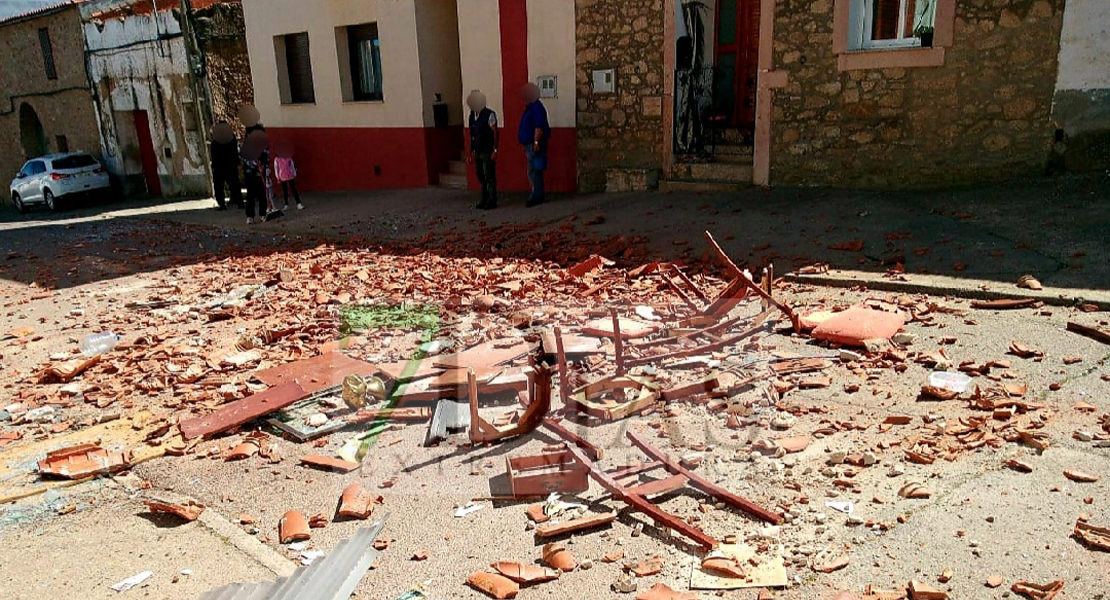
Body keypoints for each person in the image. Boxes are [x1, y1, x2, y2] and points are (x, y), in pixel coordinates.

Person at [517, 83, 551, 207]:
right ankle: (536, 194)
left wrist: (536, 142)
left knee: (535, 170)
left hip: (534, 144)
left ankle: (536, 195)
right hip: (529, 144)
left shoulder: (536, 107)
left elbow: (538, 127)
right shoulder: (531, 107)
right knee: (533, 169)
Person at [466, 90, 499, 210]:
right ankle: (485, 197)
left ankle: (491, 199)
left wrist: (495, 149)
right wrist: (471, 151)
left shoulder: (489, 114)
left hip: (487, 149)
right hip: (477, 149)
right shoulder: (472, 115)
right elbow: (472, 134)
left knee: (489, 175)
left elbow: (495, 132)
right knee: (480, 174)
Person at [209, 122, 242, 211]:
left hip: (220, 166)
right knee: (234, 184)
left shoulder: (217, 139)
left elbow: (214, 152)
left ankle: (222, 204)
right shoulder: (231, 137)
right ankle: (239, 202)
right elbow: (234, 151)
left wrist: (214, 164)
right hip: (231, 165)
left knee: (219, 185)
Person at [241, 130, 271, 225]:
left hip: (260, 174)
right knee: (250, 196)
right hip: (250, 174)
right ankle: (250, 216)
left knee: (262, 194)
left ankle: (263, 213)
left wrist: (263, 166)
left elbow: (267, 157)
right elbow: (244, 159)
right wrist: (254, 165)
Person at [274, 141, 303, 211]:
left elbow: (292, 166)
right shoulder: (277, 159)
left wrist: (294, 174)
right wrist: (277, 177)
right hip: (282, 176)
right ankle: (286, 204)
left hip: (290, 175)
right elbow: (276, 168)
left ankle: (298, 203)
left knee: (294, 189)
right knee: (285, 191)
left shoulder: (288, 158)